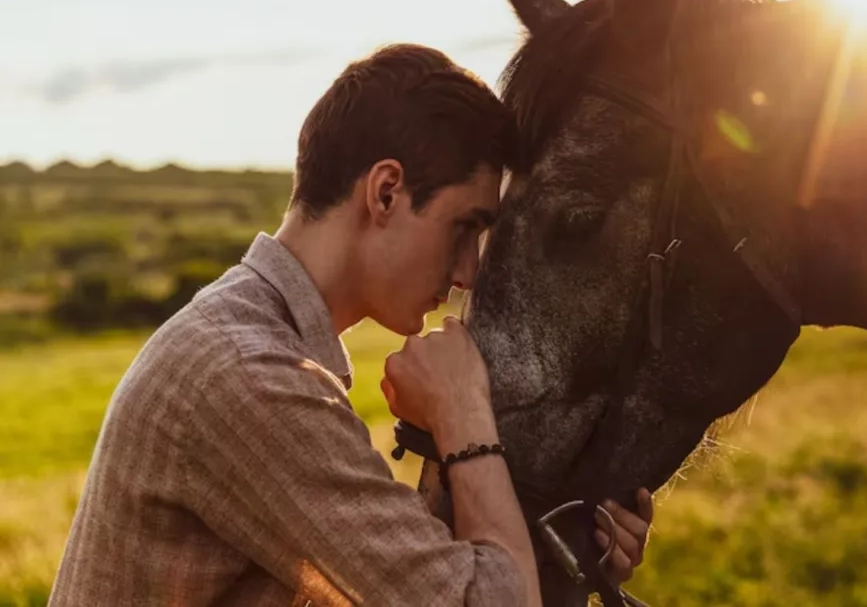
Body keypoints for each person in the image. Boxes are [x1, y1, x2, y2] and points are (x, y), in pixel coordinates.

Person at [48, 43, 653, 606]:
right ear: (386, 192)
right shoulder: (251, 377)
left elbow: (407, 579)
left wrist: (562, 553)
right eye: (464, 228)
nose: (468, 272)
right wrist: (462, 413)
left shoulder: (248, 339)